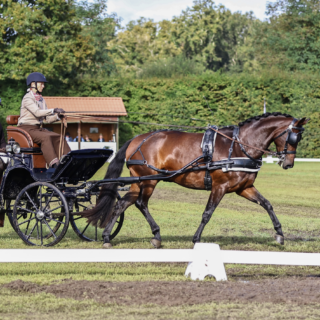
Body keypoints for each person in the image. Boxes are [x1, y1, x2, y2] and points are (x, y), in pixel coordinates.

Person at [18, 72, 71, 168]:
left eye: (43, 84)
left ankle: (68, 161)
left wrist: (58, 116)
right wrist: (53, 110)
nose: (43, 86)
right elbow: (37, 112)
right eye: (41, 83)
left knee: (58, 136)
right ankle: (54, 164)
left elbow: (48, 119)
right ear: (33, 84)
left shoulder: (41, 99)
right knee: (45, 137)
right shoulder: (27, 98)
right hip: (26, 128)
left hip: (37, 129)